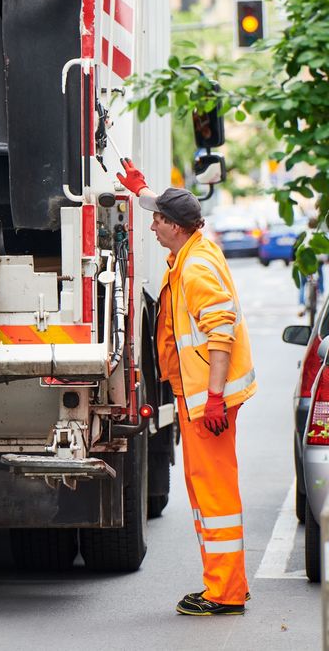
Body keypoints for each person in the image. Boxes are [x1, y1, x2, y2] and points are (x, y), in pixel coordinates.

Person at [118, 160, 257, 616]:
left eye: (158, 220)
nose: (152, 227)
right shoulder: (193, 248)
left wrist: (215, 397)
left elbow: (221, 334)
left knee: (214, 495)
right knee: (206, 491)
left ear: (175, 228)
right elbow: (167, 210)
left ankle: (225, 594)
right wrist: (142, 190)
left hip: (209, 403)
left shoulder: (195, 269)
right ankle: (226, 583)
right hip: (199, 398)